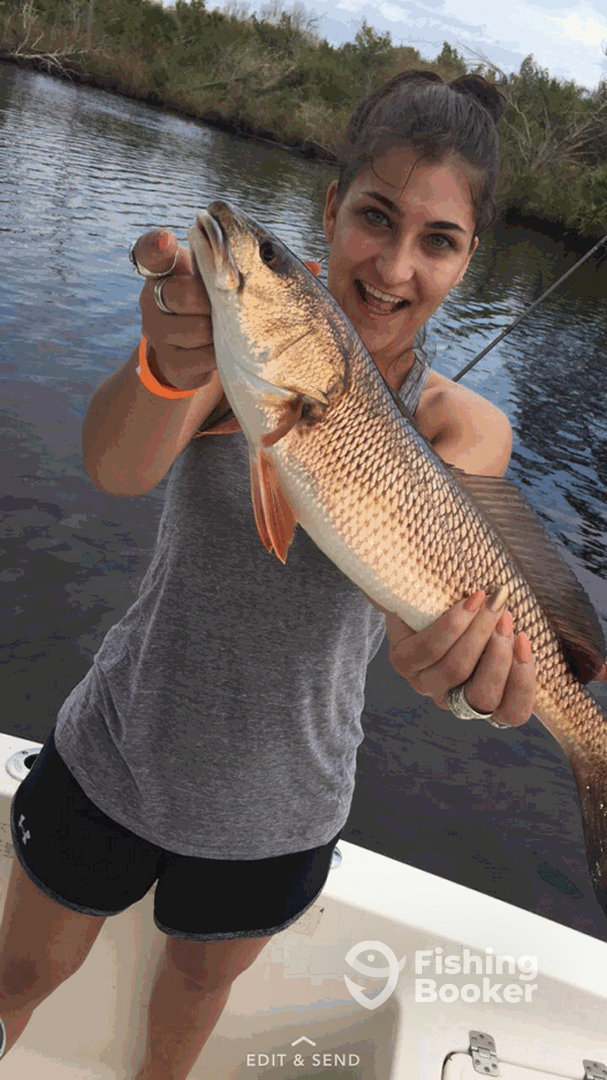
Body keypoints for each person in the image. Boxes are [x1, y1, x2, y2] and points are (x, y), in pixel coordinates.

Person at [0, 72, 538, 1079]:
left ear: (467, 260)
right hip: (117, 748)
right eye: (374, 217)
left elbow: (425, 621)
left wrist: (465, 684)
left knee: (192, 1005)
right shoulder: (237, 344)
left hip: (282, 807)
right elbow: (116, 468)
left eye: (437, 240)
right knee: (20, 974)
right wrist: (167, 361)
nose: (393, 266)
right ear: (331, 209)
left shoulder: (465, 429)